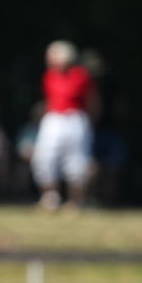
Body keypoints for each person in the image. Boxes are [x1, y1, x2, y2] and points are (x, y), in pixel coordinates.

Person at [31, 40, 98, 212]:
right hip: (54, 118)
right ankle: (50, 197)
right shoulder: (49, 76)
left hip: (75, 119)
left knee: (77, 161)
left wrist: (90, 121)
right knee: (44, 157)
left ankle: (76, 201)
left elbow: (92, 101)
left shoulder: (81, 75)